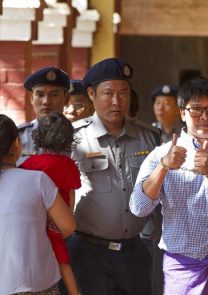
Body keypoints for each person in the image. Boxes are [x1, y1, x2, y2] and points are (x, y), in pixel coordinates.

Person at [130, 77, 208, 295]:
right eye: (196, 109)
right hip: (180, 270)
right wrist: (164, 167)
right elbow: (139, 208)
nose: (204, 117)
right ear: (182, 113)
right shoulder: (162, 154)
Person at [70, 57, 161, 295]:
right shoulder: (74, 139)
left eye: (123, 93)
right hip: (89, 252)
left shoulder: (150, 138)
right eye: (108, 93)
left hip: (136, 250)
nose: (116, 101)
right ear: (91, 94)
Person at [0, 114, 76, 295]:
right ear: (16, 144)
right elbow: (68, 227)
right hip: (37, 285)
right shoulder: (37, 180)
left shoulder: (32, 171)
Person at [20, 112, 81, 295]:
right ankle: (73, 292)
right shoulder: (69, 165)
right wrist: (65, 222)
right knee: (62, 260)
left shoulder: (29, 164)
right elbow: (71, 196)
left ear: (37, 136)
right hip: (57, 225)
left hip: (36, 222)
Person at [18, 66, 70, 166]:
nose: (46, 102)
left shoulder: (81, 136)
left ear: (66, 98)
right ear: (31, 98)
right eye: (40, 95)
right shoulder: (17, 137)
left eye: (54, 95)